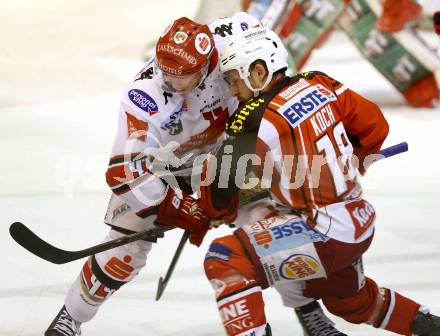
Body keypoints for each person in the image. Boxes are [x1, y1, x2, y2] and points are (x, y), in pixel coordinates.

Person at [197, 26, 440, 336]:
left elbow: (218, 196)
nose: (233, 91)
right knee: (352, 303)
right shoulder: (318, 82)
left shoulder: (250, 118)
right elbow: (375, 126)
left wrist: (214, 212)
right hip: (357, 222)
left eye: (234, 79)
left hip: (321, 232)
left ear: (258, 71)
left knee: (226, 258)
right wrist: (345, 164)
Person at [44, 12, 262, 336]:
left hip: (229, 152)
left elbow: (270, 68)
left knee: (268, 221)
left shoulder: (236, 40)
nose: (171, 81)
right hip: (166, 167)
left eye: (182, 76)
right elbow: (123, 172)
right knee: (124, 252)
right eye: (165, 70)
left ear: (205, 66)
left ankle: (307, 309)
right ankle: (69, 318)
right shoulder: (144, 94)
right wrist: (177, 207)